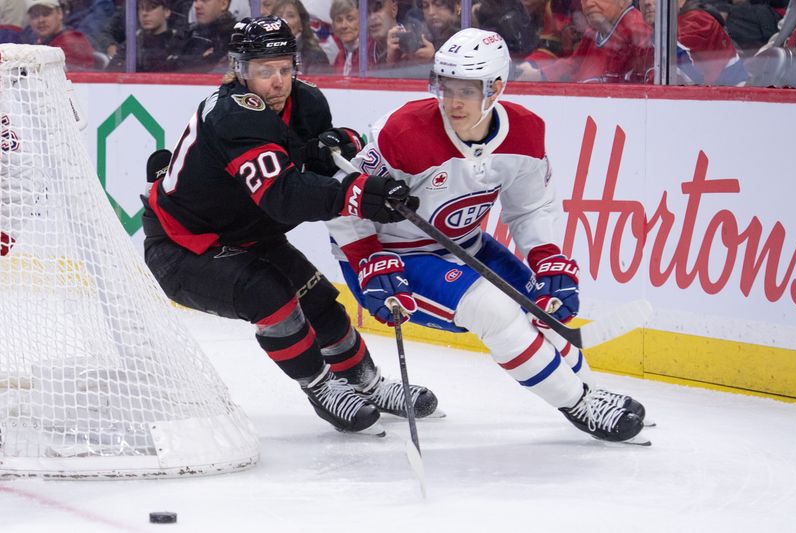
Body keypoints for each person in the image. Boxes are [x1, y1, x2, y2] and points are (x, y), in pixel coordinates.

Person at [326, 28, 648, 444]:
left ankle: (591, 389)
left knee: (542, 306)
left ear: (496, 88)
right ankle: (580, 405)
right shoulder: (404, 131)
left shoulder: (526, 132)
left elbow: (531, 207)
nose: (453, 102)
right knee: (495, 311)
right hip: (393, 255)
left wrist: (546, 255)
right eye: (445, 87)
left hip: (464, 246)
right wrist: (369, 257)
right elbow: (341, 196)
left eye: (467, 90)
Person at [140, 16, 439, 436]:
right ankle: (321, 387)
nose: (278, 81)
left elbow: (311, 164)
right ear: (239, 70)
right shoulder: (232, 114)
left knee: (319, 300)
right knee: (269, 294)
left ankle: (366, 383)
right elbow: (281, 197)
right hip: (184, 247)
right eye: (265, 71)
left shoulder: (309, 102)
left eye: (285, 68)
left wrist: (336, 146)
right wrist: (357, 194)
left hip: (250, 233)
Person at [516, 0, 653, 82]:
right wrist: (541, 73)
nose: (588, 3)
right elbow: (573, 64)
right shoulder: (593, 33)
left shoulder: (637, 32)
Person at [640, 0, 748, 85]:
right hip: (710, 104)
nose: (646, 2)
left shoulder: (698, 20)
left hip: (735, 104)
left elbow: (675, 71)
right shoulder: (656, 33)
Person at [106, 0, 185, 72]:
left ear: (166, 12)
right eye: (141, 8)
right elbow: (111, 72)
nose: (144, 13)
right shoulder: (132, 44)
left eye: (151, 8)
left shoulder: (178, 43)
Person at [25, 0, 95, 71]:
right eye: (35, 16)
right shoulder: (40, 44)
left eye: (46, 14)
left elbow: (73, 78)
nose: (41, 20)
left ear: (60, 13)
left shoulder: (72, 42)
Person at [168, 0, 237, 72]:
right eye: (196, 0)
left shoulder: (237, 38)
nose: (196, 6)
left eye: (205, 0)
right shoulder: (188, 33)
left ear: (223, 4)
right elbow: (168, 61)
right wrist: (201, 59)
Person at [273, 0, 330, 74]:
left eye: (290, 16)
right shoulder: (262, 52)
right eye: (279, 16)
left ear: (301, 24)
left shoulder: (315, 56)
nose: (283, 20)